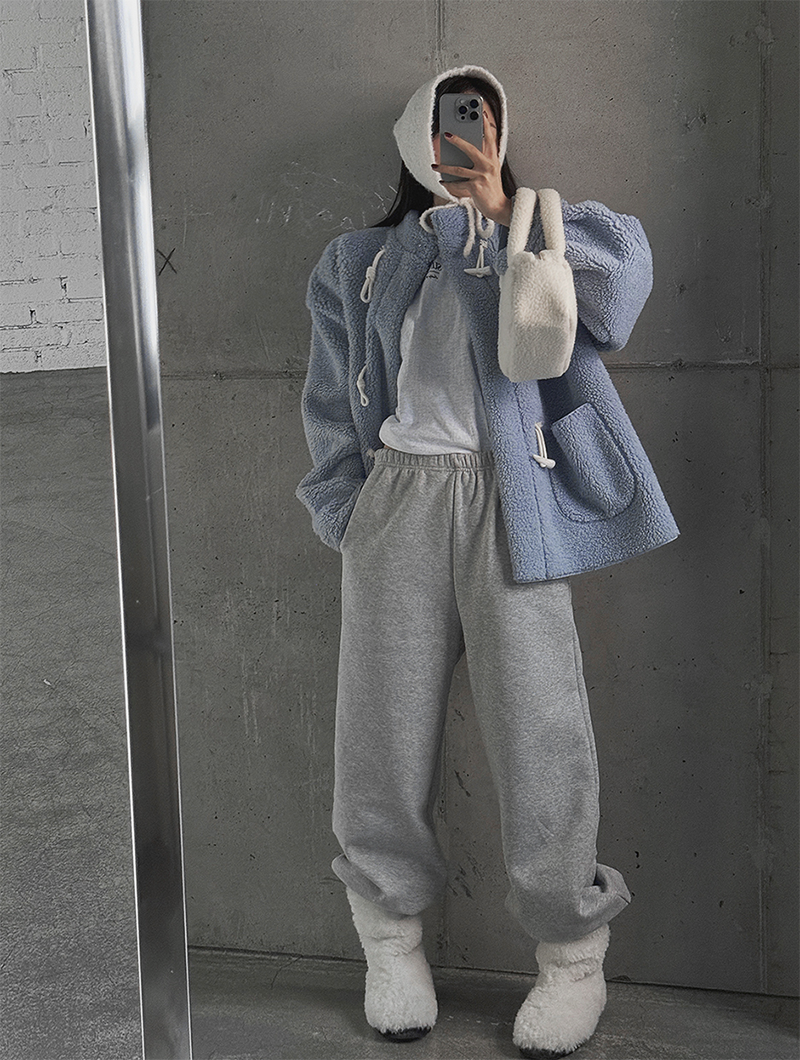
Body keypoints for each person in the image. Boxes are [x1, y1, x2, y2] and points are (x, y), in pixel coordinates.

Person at [296, 65, 678, 1060]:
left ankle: (571, 957)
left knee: (542, 732)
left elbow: (620, 293)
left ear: (501, 133)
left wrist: (502, 212)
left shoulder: (542, 229)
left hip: (515, 503)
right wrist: (345, 508)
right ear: (412, 136)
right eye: (448, 120)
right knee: (378, 736)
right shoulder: (357, 260)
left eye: (482, 119)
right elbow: (331, 400)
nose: (465, 135)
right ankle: (390, 943)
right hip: (397, 503)